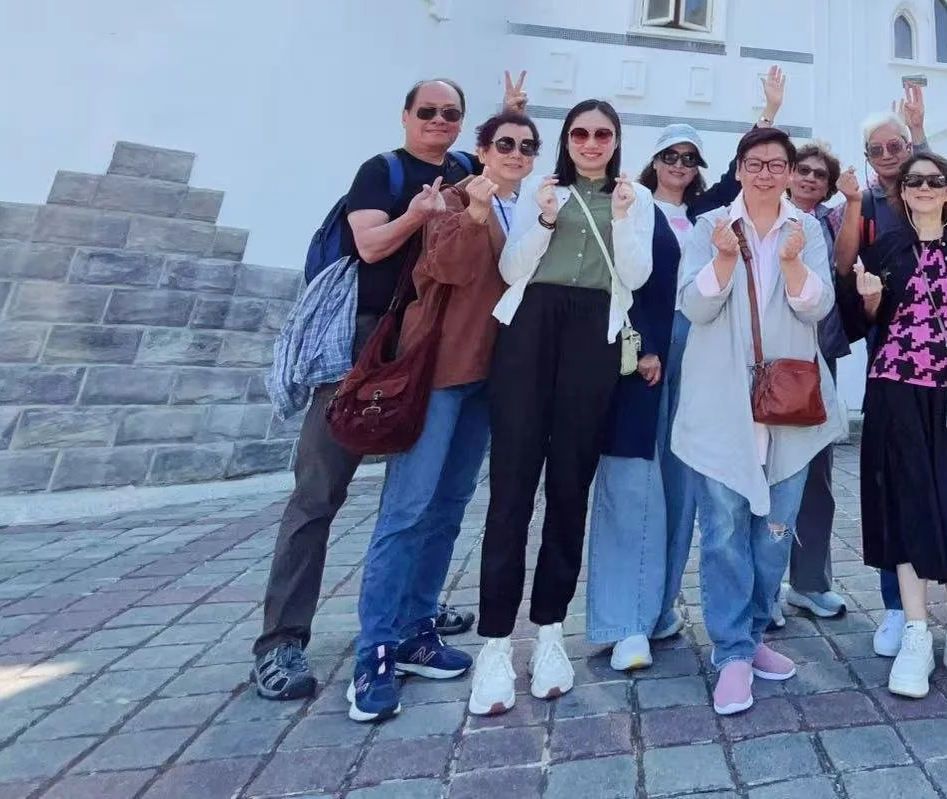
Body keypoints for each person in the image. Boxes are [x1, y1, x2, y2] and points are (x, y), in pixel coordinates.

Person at [252, 75, 514, 701]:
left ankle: (409, 613)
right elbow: (369, 246)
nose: (439, 120)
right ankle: (282, 640)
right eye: (428, 111)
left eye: (451, 112)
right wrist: (415, 215)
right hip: (362, 349)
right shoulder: (382, 172)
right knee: (319, 493)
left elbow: (497, 167)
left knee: (430, 496)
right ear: (405, 116)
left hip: (431, 351)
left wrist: (515, 118)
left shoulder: (460, 166)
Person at [585, 73, 787, 673]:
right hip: (643, 351)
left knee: (684, 484)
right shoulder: (631, 202)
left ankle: (663, 605)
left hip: (698, 346)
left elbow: (747, 174)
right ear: (653, 161)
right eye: (669, 155)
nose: (678, 165)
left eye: (688, 158)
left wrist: (768, 112)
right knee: (634, 476)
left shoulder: (707, 213)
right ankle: (627, 619)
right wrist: (642, 344)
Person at [347, 111, 539, 721]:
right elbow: (447, 271)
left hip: (489, 381)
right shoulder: (452, 200)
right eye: (503, 144)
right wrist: (474, 214)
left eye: (526, 146)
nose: (515, 153)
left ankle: (415, 627)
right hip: (441, 377)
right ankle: (373, 649)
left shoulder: (527, 210)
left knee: (448, 510)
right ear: (481, 151)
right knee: (406, 510)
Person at [469, 99, 654, 717]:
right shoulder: (541, 191)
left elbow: (636, 274)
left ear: (617, 140)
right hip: (529, 328)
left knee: (571, 486)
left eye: (603, 134)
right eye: (580, 133)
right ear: (567, 141)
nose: (592, 143)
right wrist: (545, 221)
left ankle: (550, 632)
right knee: (512, 487)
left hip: (592, 338)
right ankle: (495, 642)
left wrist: (624, 218)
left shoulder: (636, 199)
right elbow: (510, 266)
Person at [672, 127, 843, 716]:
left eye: (777, 163)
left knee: (774, 530)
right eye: (755, 163)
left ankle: (752, 629)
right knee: (722, 530)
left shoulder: (808, 229)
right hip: (721, 401)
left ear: (791, 172)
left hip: (789, 402)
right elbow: (693, 306)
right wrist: (722, 256)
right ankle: (731, 650)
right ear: (739, 169)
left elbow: (818, 307)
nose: (767, 173)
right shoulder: (710, 227)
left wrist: (794, 265)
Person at [830, 85, 947, 658]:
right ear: (900, 192)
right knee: (902, 495)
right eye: (915, 182)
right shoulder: (886, 249)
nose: (924, 189)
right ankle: (911, 626)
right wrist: (871, 299)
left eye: (935, 181)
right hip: (896, 388)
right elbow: (862, 314)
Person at [781, 143, 854, 621]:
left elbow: (845, 266)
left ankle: (809, 582)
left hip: (817, 359)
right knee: (762, 475)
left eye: (818, 175)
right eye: (802, 171)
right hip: (765, 358)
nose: (809, 179)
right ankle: (763, 586)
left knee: (816, 476)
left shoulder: (830, 222)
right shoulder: (763, 213)